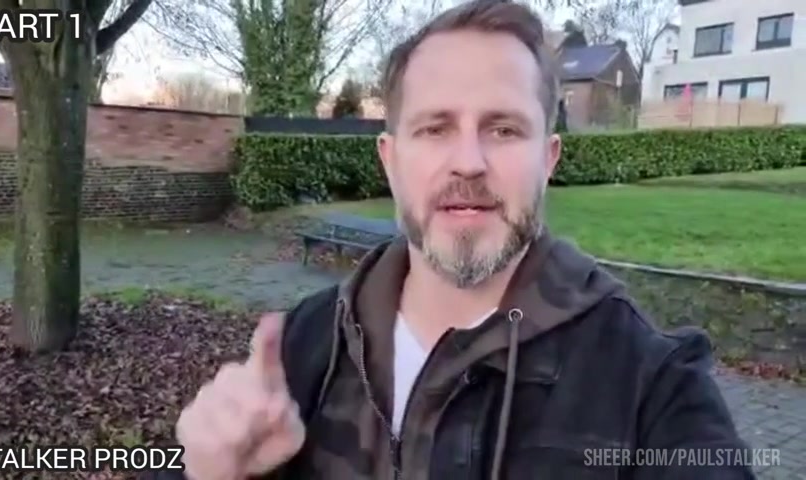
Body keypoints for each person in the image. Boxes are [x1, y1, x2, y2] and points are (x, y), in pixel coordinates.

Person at [157, 1, 756, 479]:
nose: (468, 161)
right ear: (390, 160)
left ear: (548, 160)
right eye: (435, 128)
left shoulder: (649, 382)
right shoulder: (306, 347)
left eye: (504, 129)